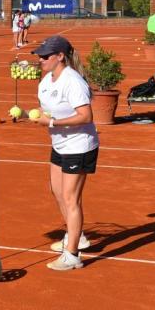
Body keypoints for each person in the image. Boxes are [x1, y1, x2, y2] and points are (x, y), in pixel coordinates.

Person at [31, 35, 98, 271]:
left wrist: (51, 123)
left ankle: (72, 255)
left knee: (71, 198)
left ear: (60, 56)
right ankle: (76, 236)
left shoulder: (73, 81)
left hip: (79, 145)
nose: (40, 59)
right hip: (60, 144)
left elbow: (86, 116)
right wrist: (32, 114)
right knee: (57, 191)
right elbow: (47, 109)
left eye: (45, 56)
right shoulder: (46, 80)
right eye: (39, 56)